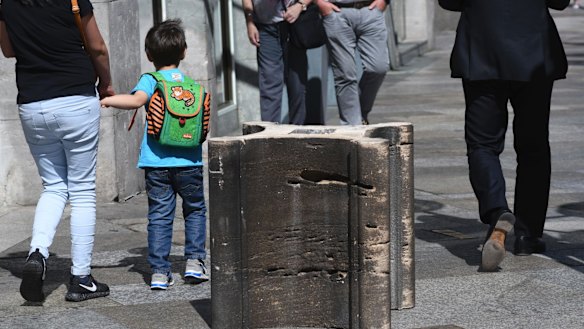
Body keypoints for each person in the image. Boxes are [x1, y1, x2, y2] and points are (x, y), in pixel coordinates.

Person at [438, 0, 569, 271]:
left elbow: (448, 2)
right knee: (533, 146)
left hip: (483, 48)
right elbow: (560, 2)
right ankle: (526, 235)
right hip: (532, 49)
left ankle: (497, 210)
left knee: (482, 144)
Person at [0, 0, 113, 302]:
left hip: (33, 103)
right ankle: (81, 277)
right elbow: (97, 47)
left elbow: (9, 50)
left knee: (53, 187)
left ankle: (37, 252)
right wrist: (107, 83)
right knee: (82, 190)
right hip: (75, 96)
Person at [100, 19, 209, 290]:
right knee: (195, 210)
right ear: (183, 52)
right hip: (190, 162)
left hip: (156, 163)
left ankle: (160, 272)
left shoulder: (151, 80)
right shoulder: (189, 83)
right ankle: (195, 263)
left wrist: (106, 99)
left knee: (160, 214)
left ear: (149, 55)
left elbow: (136, 101)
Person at [315, 0, 390, 125]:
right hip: (336, 11)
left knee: (378, 67)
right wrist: (320, 3)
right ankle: (352, 126)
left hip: (370, 10)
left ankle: (360, 113)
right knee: (345, 73)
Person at [242, 0, 310, 125]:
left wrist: (300, 5)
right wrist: (249, 22)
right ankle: (270, 135)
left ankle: (297, 132)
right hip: (264, 27)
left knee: (297, 83)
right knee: (269, 82)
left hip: (293, 24)